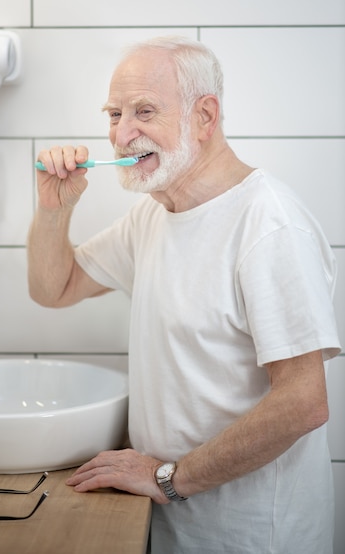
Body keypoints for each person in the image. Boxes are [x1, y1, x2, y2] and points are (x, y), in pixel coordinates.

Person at [27, 36, 341, 553]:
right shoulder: (153, 215)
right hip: (173, 525)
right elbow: (52, 288)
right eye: (114, 114)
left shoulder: (268, 225)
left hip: (253, 537)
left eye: (144, 111)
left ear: (204, 116)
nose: (122, 135)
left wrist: (169, 478)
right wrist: (53, 208)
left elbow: (303, 402)